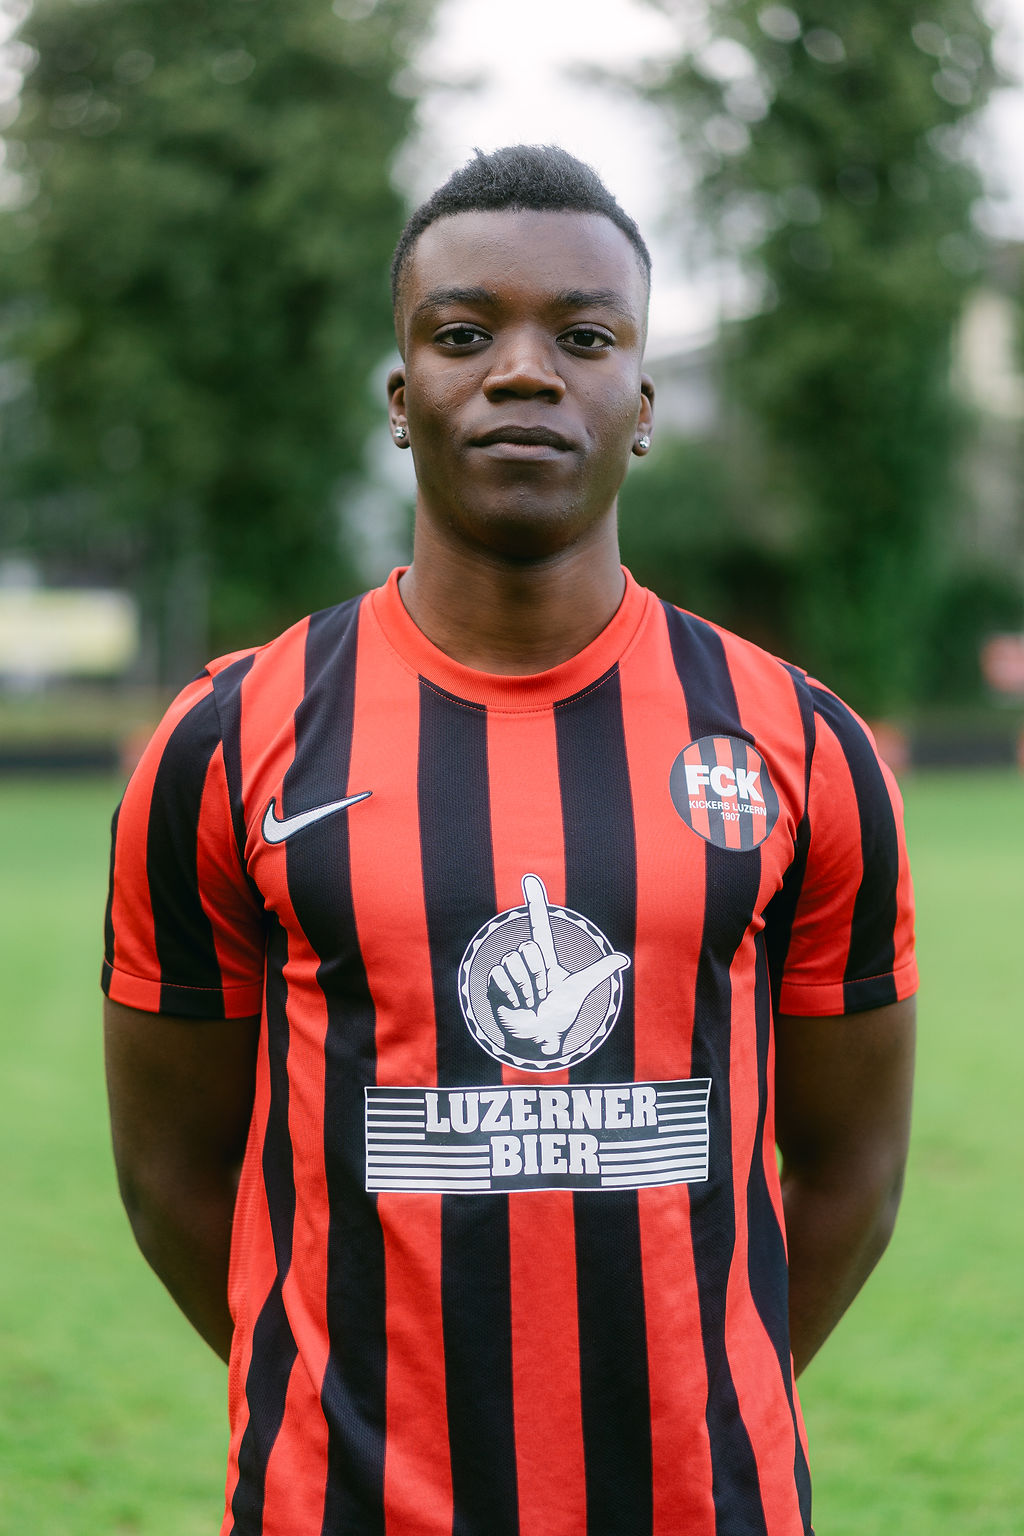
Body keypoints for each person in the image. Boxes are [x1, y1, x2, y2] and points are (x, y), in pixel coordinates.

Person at [102, 145, 917, 1536]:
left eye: (584, 338)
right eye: (465, 333)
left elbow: (853, 1171)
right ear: (401, 397)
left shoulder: (799, 741)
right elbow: (172, 1174)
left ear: (642, 406)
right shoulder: (227, 740)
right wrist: (343, 1403)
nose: (525, 373)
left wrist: (702, 1403)